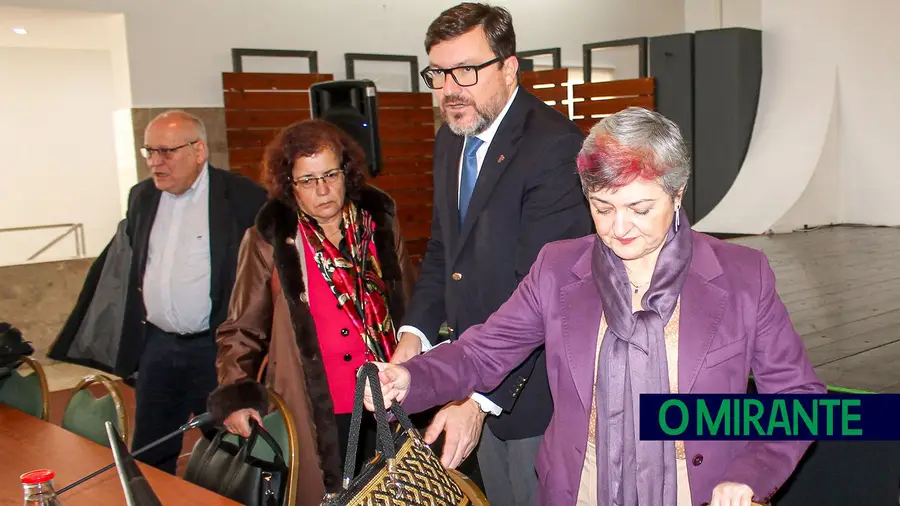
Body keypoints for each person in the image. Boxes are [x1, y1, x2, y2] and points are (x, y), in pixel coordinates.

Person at [367, 107, 826, 506]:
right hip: (580, 489)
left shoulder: (743, 275)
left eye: (640, 208)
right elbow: (483, 352)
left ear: (678, 193)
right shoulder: (558, 267)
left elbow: (798, 398)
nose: (619, 227)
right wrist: (409, 377)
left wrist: (749, 474)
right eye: (602, 207)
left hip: (699, 491)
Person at [388, 3, 593, 504]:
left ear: (508, 67)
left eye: (466, 70)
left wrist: (478, 400)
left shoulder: (554, 147)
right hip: (473, 373)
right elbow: (442, 253)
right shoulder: (450, 139)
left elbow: (546, 297)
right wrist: (413, 337)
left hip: (532, 397)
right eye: (438, 73)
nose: (449, 88)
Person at [206, 119, 416, 506]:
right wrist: (237, 395)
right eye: (307, 180)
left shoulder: (378, 223)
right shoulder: (270, 239)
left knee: (400, 495)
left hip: (387, 395)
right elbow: (241, 327)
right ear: (290, 184)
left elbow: (410, 305)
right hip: (316, 404)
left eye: (330, 175)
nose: (322, 189)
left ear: (346, 173)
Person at [122, 111, 267, 474]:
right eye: (149, 151)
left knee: (230, 456)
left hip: (215, 349)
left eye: (166, 152)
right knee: (149, 452)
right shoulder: (141, 199)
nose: (155, 162)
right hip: (157, 347)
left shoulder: (243, 197)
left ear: (199, 151)